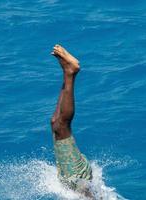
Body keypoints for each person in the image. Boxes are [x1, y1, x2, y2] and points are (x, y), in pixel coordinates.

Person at [50, 44, 94, 198]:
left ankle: (66, 72)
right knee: (60, 126)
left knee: (55, 122)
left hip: (73, 177)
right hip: (75, 175)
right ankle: (70, 72)